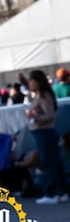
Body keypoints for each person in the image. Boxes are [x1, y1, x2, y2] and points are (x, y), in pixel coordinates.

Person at [26, 70, 70, 204]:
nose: (30, 83)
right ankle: (61, 191)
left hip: (44, 131)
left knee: (49, 163)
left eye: (31, 81)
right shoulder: (40, 95)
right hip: (43, 131)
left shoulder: (44, 96)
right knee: (54, 162)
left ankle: (52, 193)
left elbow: (49, 115)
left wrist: (35, 117)